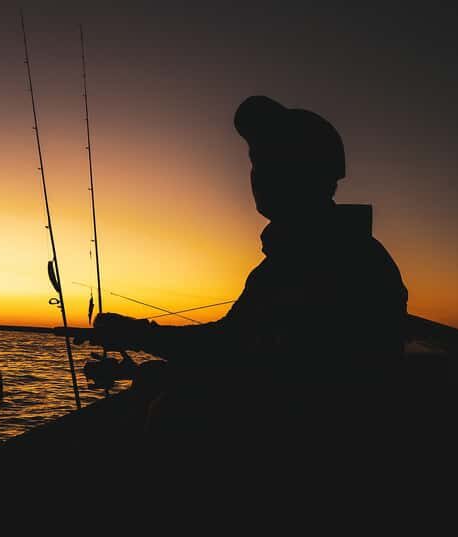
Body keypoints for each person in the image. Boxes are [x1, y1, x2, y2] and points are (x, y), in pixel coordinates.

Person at [76, 96, 408, 436]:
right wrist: (148, 353)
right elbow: (242, 348)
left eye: (274, 161)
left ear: (312, 174)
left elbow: (238, 354)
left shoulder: (331, 262)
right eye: (257, 161)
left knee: (171, 411)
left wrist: (138, 336)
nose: (259, 175)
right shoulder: (304, 257)